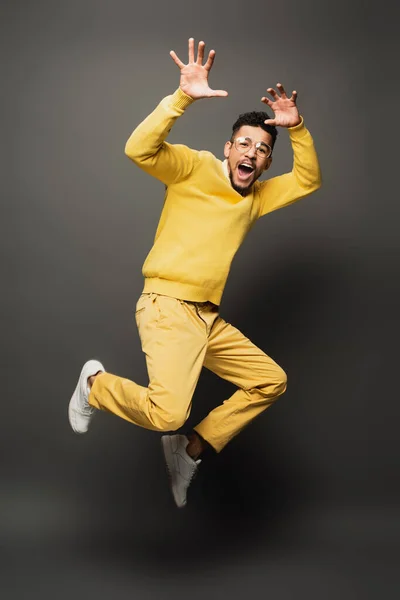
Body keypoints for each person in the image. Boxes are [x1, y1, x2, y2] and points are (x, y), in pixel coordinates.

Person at [68, 38, 321, 508]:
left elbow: (308, 180)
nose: (251, 153)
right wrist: (181, 97)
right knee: (167, 413)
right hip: (167, 306)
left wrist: (298, 127)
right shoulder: (192, 167)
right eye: (243, 143)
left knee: (270, 380)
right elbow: (137, 149)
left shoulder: (259, 196)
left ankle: (190, 449)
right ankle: (94, 386)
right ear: (228, 148)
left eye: (262, 149)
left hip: (207, 318)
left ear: (266, 161)